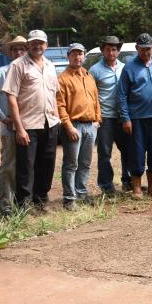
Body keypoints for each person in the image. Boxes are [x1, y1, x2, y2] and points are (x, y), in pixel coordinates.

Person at [2, 30, 60, 212]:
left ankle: (40, 201)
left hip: (50, 123)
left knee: (47, 165)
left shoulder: (50, 66)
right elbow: (11, 97)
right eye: (33, 43)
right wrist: (19, 129)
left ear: (46, 45)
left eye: (41, 43)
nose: (37, 46)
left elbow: (54, 94)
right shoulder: (18, 65)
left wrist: (57, 119)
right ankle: (24, 206)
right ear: (28, 45)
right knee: (26, 167)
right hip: (28, 125)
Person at [118, 33, 152, 199]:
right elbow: (122, 95)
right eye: (143, 49)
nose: (146, 52)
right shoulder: (129, 67)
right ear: (137, 48)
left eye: (149, 48)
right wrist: (125, 118)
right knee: (137, 152)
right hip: (136, 118)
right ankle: (137, 187)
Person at [56, 43, 102, 210]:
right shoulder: (63, 78)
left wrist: (97, 121)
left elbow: (96, 99)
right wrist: (68, 127)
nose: (77, 57)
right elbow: (60, 105)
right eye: (74, 54)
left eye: (80, 54)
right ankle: (69, 199)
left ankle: (81, 193)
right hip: (73, 126)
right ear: (68, 56)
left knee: (85, 163)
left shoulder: (88, 76)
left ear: (84, 56)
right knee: (71, 164)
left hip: (90, 126)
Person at [89, 36, 132, 195]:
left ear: (118, 51)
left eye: (114, 49)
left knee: (127, 150)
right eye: (108, 49)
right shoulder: (95, 70)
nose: (111, 52)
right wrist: (95, 117)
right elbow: (91, 95)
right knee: (105, 153)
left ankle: (128, 181)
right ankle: (106, 186)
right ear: (102, 51)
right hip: (105, 118)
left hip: (123, 117)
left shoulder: (125, 68)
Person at [0, 36, 26, 215]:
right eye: (15, 49)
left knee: (27, 166)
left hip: (31, 129)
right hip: (10, 130)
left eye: (22, 49)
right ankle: (5, 206)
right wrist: (3, 117)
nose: (19, 52)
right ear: (10, 53)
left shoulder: (32, 71)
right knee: (9, 166)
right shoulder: (2, 72)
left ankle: (23, 202)